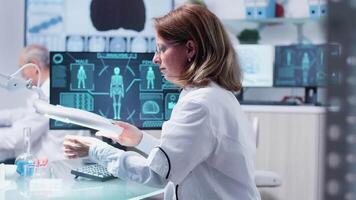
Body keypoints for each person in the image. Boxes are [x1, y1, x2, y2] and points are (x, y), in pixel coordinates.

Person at [63, 4, 261, 200]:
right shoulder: (215, 95)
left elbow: (157, 173)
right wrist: (139, 139)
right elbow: (180, 157)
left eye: (161, 49)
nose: (155, 58)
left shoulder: (200, 104)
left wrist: (95, 149)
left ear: (190, 49)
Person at [0, 44, 87, 163]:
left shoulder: (48, 95)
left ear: (34, 65)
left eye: (22, 68)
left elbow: (17, 137)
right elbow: (26, 114)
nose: (22, 75)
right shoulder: (49, 88)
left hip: (55, 168)